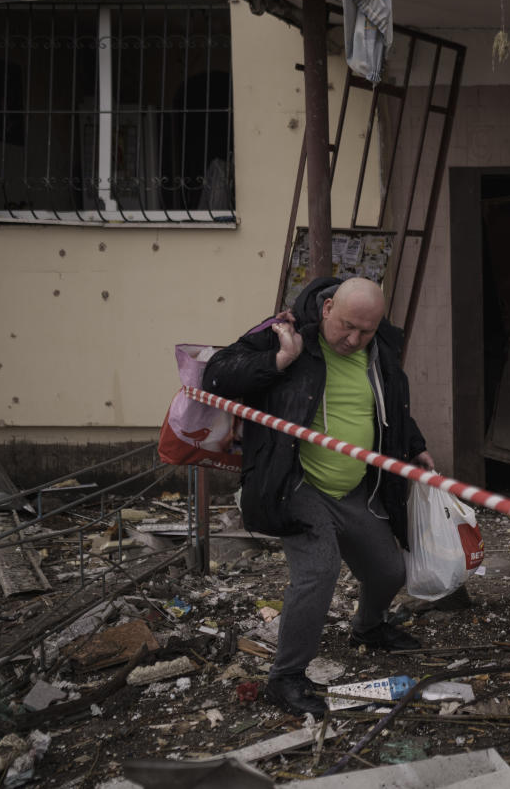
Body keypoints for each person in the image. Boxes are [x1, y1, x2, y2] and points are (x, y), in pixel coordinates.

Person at [202, 276, 434, 717]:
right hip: (295, 482)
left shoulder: (380, 349)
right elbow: (215, 374)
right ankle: (285, 677)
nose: (354, 339)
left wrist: (415, 443)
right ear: (327, 308)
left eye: (366, 330)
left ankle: (367, 629)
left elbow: (392, 406)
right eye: (347, 326)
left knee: (388, 569)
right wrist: (279, 358)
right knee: (319, 571)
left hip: (354, 488)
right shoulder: (285, 334)